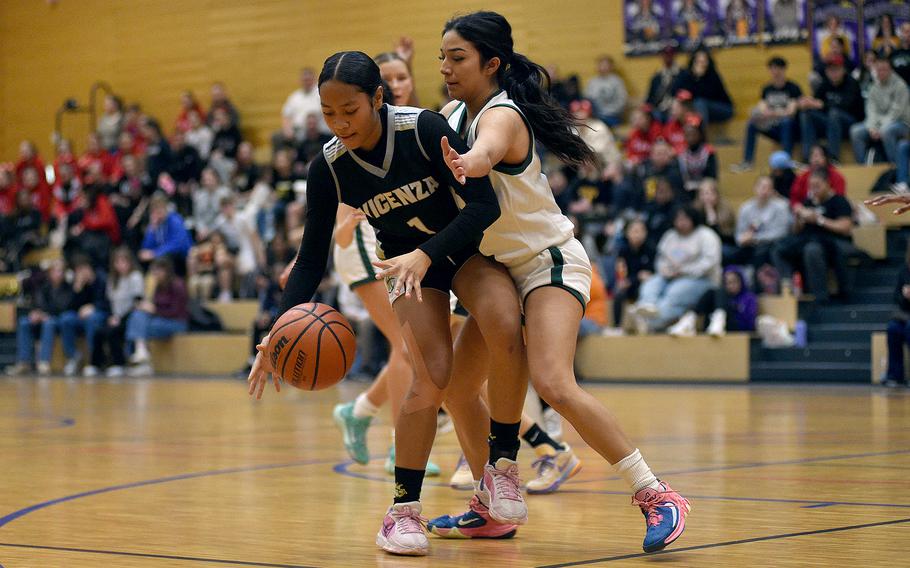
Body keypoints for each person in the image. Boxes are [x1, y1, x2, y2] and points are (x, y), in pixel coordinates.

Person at [247, 51, 527, 557]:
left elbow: (484, 205)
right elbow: (310, 261)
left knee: (506, 320)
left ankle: (502, 468)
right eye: (328, 113)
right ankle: (401, 513)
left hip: (461, 249)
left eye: (349, 110)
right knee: (432, 374)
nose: (340, 124)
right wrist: (275, 331)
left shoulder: (423, 129)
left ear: (378, 97)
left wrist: (429, 253)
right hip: (402, 266)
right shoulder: (327, 167)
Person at [433, 11, 690, 553]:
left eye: (458, 58)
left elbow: (482, 157)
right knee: (456, 387)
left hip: (546, 261)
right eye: (443, 57)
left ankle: (656, 494)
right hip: (495, 270)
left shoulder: (503, 115)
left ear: (492, 63)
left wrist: (464, 162)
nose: (447, 68)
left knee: (553, 381)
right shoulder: (452, 112)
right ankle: (492, 502)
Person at [630, 205, 721, 333]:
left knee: (675, 292)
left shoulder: (706, 235)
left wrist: (685, 270)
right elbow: (660, 258)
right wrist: (665, 270)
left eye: (684, 219)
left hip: (700, 280)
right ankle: (646, 309)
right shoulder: (670, 236)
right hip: (670, 276)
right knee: (651, 284)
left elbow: (710, 263)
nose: (681, 223)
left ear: (692, 219)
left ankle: (653, 322)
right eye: (678, 219)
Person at [772, 168, 853, 303]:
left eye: (817, 186)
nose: (814, 190)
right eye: (811, 186)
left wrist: (819, 220)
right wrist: (799, 218)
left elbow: (845, 227)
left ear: (827, 183)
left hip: (832, 242)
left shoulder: (839, 201)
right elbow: (796, 231)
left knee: (812, 249)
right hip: (808, 238)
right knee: (778, 249)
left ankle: (820, 297)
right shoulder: (807, 202)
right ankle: (789, 290)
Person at [733, 56, 801, 171]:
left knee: (786, 121)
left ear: (784, 70)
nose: (775, 72)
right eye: (772, 69)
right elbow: (762, 109)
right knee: (752, 124)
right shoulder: (767, 89)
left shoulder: (793, 88)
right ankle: (747, 161)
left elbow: (790, 112)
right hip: (773, 126)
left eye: (778, 69)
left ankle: (786, 159)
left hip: (791, 129)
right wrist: (774, 113)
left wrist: (772, 113)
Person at [6, 259, 73, 376]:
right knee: (23, 322)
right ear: (50, 273)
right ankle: (23, 362)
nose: (59, 274)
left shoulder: (67, 288)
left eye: (61, 271)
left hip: (57, 319)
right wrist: (35, 313)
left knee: (49, 323)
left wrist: (44, 314)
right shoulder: (43, 286)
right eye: (56, 271)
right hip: (42, 316)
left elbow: (63, 307)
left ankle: (43, 362)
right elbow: (37, 302)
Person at [126, 256, 189, 376]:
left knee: (142, 327)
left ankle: (142, 357)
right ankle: (141, 352)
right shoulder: (158, 286)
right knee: (137, 315)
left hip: (177, 322)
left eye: (158, 271)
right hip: (161, 320)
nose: (155, 275)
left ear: (166, 271)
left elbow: (176, 312)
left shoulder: (178, 285)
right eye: (154, 272)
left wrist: (155, 310)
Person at [798, 55, 864, 162]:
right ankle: (809, 157)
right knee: (807, 114)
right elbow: (816, 102)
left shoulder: (852, 83)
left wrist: (823, 105)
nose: (833, 73)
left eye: (836, 69)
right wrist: (806, 103)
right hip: (831, 123)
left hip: (851, 123)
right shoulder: (825, 84)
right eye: (830, 70)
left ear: (843, 69)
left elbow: (847, 106)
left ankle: (833, 158)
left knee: (834, 113)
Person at [849, 51, 910, 164]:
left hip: (901, 122)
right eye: (878, 70)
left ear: (891, 70)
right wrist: (872, 127)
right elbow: (871, 110)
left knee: (887, 131)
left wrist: (880, 127)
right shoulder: (873, 87)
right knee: (856, 131)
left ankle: (895, 166)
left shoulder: (900, 86)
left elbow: (896, 111)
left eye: (884, 69)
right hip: (878, 124)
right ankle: (862, 167)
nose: (880, 72)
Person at [93, 247, 145, 378]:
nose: (121, 265)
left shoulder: (135, 277)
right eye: (118, 262)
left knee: (113, 332)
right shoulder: (112, 279)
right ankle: (96, 364)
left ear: (129, 262)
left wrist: (120, 319)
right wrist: (112, 316)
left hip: (130, 316)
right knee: (99, 331)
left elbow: (137, 302)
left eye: (124, 261)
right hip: (116, 315)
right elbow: (110, 301)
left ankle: (119, 364)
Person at [668, 266, 758, 336]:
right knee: (711, 292)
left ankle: (719, 319)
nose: (731, 286)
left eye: (734, 282)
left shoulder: (749, 297)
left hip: (736, 329)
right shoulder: (720, 296)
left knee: (718, 291)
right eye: (727, 283)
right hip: (714, 329)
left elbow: (749, 324)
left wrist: (734, 307)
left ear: (741, 281)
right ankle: (689, 320)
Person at [730, 175, 792, 277]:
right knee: (732, 255)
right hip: (750, 245)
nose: (765, 191)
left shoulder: (781, 206)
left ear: (772, 190)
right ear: (755, 188)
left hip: (773, 244)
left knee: (765, 252)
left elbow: (782, 232)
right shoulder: (746, 208)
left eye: (768, 188)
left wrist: (755, 238)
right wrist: (741, 239)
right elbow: (739, 234)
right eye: (762, 187)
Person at [60, 256, 109, 377]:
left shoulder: (102, 279)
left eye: (82, 269)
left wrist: (94, 307)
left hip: (101, 314)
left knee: (93, 319)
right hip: (81, 317)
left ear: (88, 268)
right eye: (77, 270)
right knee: (66, 318)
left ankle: (94, 360)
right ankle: (73, 357)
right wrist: (77, 289)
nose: (80, 273)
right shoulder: (78, 283)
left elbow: (109, 303)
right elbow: (69, 307)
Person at [673, 47, 734, 124]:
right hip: (698, 107)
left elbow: (707, 95)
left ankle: (700, 133)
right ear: (693, 62)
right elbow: (675, 91)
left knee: (700, 103)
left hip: (723, 108)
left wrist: (698, 78)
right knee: (678, 104)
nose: (701, 64)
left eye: (704, 61)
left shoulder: (712, 75)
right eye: (698, 61)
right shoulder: (686, 74)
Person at [584, 55, 628, 126]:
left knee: (599, 124)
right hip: (595, 115)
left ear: (611, 66)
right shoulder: (592, 81)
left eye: (605, 65)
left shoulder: (617, 81)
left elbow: (622, 101)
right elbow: (587, 99)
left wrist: (607, 112)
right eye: (600, 65)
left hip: (612, 116)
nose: (602, 67)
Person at [646, 45, 682, 122]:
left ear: (674, 55)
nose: (668, 56)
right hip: (658, 109)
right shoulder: (656, 77)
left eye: (670, 54)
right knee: (655, 116)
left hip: (675, 108)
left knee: (673, 115)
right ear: (661, 56)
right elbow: (650, 97)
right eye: (665, 54)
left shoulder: (682, 74)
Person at [892, 22, 910, 86]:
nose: (908, 34)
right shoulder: (894, 53)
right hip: (897, 88)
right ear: (901, 34)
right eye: (906, 31)